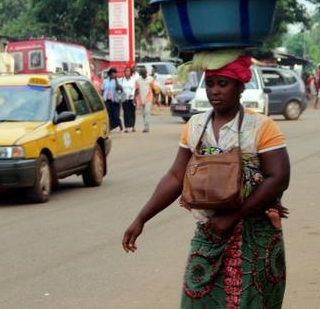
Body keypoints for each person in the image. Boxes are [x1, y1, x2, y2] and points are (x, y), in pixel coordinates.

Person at [123, 55, 291, 308]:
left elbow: (278, 179)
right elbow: (176, 176)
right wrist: (141, 218)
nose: (215, 91)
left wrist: (232, 217)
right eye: (210, 83)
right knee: (196, 298)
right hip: (209, 231)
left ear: (240, 86)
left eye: (223, 83)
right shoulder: (195, 125)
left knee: (249, 301)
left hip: (254, 234)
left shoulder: (261, 126)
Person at [102, 68, 123, 132]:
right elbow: (102, 90)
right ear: (110, 74)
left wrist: (116, 81)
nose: (115, 74)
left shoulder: (117, 80)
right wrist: (102, 98)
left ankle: (119, 123)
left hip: (115, 101)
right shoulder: (105, 81)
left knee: (116, 116)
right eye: (114, 73)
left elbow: (119, 89)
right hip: (107, 100)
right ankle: (110, 127)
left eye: (115, 73)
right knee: (109, 115)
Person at [136, 67, 157, 133]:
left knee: (147, 112)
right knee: (143, 113)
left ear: (146, 73)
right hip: (141, 98)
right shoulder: (138, 80)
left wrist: (156, 99)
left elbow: (154, 89)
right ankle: (145, 125)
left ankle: (147, 127)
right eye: (142, 74)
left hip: (149, 98)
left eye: (144, 73)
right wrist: (135, 98)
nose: (144, 75)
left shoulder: (150, 79)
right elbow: (136, 90)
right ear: (141, 74)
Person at [121, 66, 138, 133]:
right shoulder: (122, 80)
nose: (127, 72)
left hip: (132, 98)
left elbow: (136, 89)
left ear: (131, 72)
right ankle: (126, 127)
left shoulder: (133, 79)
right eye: (126, 71)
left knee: (132, 112)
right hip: (124, 98)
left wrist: (134, 97)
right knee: (126, 113)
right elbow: (120, 89)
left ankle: (133, 126)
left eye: (129, 71)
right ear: (124, 72)